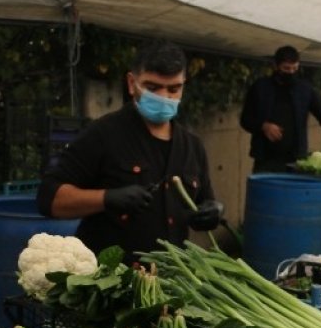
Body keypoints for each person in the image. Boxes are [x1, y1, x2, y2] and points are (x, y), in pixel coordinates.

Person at [37, 40, 222, 257]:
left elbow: (203, 203)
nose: (164, 97)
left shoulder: (192, 146)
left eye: (174, 89)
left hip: (170, 280)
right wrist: (106, 199)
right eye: (153, 88)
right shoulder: (103, 134)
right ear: (132, 83)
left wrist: (214, 211)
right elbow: (49, 199)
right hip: (110, 280)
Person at [239, 45, 321, 173]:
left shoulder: (305, 89)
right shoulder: (260, 87)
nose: (291, 72)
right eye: (286, 68)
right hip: (266, 160)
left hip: (296, 161)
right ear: (275, 66)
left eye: (295, 68)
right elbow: (245, 120)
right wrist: (264, 126)